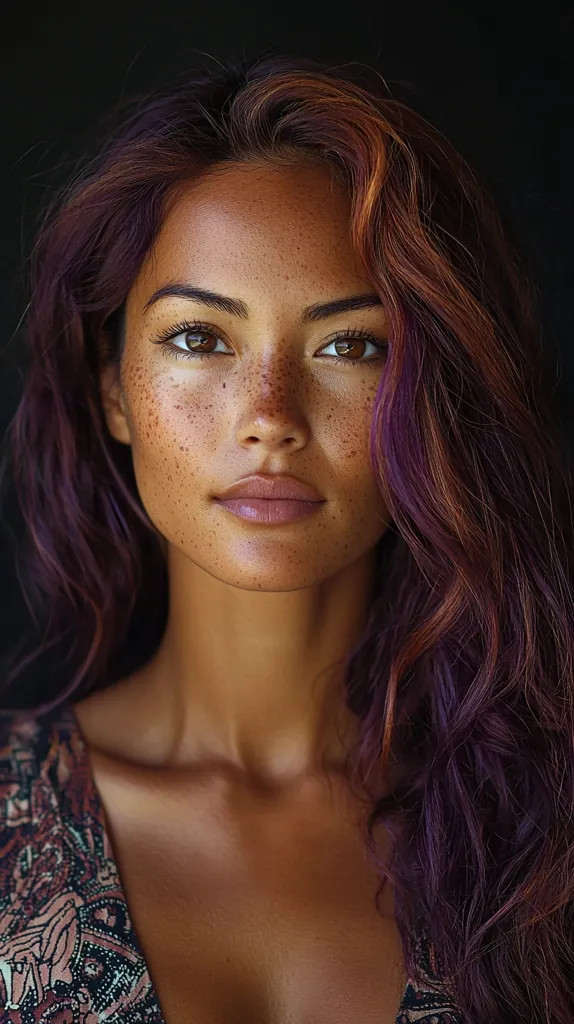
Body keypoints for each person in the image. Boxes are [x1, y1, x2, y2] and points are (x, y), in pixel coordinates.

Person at [0, 53, 572, 1024]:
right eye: (199, 337)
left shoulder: (546, 845)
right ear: (112, 386)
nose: (270, 416)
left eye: (349, 346)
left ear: (432, 396)